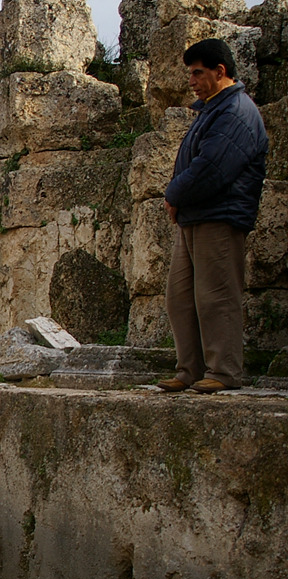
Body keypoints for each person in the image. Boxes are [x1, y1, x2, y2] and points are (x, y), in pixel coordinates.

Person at [158, 38, 268, 394]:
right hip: (195, 216)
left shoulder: (236, 112)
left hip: (220, 216)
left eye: (197, 73)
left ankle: (223, 370)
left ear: (220, 71)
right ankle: (189, 369)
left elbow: (212, 168)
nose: (191, 81)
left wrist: (174, 193)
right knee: (180, 297)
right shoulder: (213, 110)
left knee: (216, 297)